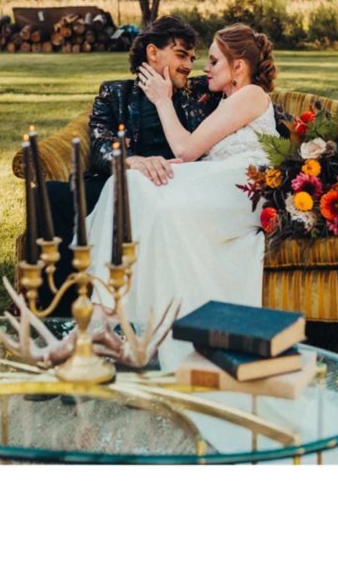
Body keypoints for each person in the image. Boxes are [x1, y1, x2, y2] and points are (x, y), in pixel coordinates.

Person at [40, 16, 289, 313]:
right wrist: (131, 162)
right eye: (183, 56)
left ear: (237, 66)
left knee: (138, 193)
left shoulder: (208, 92)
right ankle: (73, 308)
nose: (197, 67)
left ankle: (106, 310)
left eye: (206, 60)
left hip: (213, 181)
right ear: (153, 54)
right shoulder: (115, 93)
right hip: (173, 177)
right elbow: (101, 144)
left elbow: (272, 122)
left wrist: (303, 155)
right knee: (117, 186)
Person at [85, 24, 279, 371]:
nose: (204, 68)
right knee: (129, 183)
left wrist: (162, 99)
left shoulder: (251, 94)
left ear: (238, 67)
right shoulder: (225, 98)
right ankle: (105, 316)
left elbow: (188, 149)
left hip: (242, 187)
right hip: (217, 182)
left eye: (213, 61)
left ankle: (119, 324)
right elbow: (193, 152)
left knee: (145, 196)